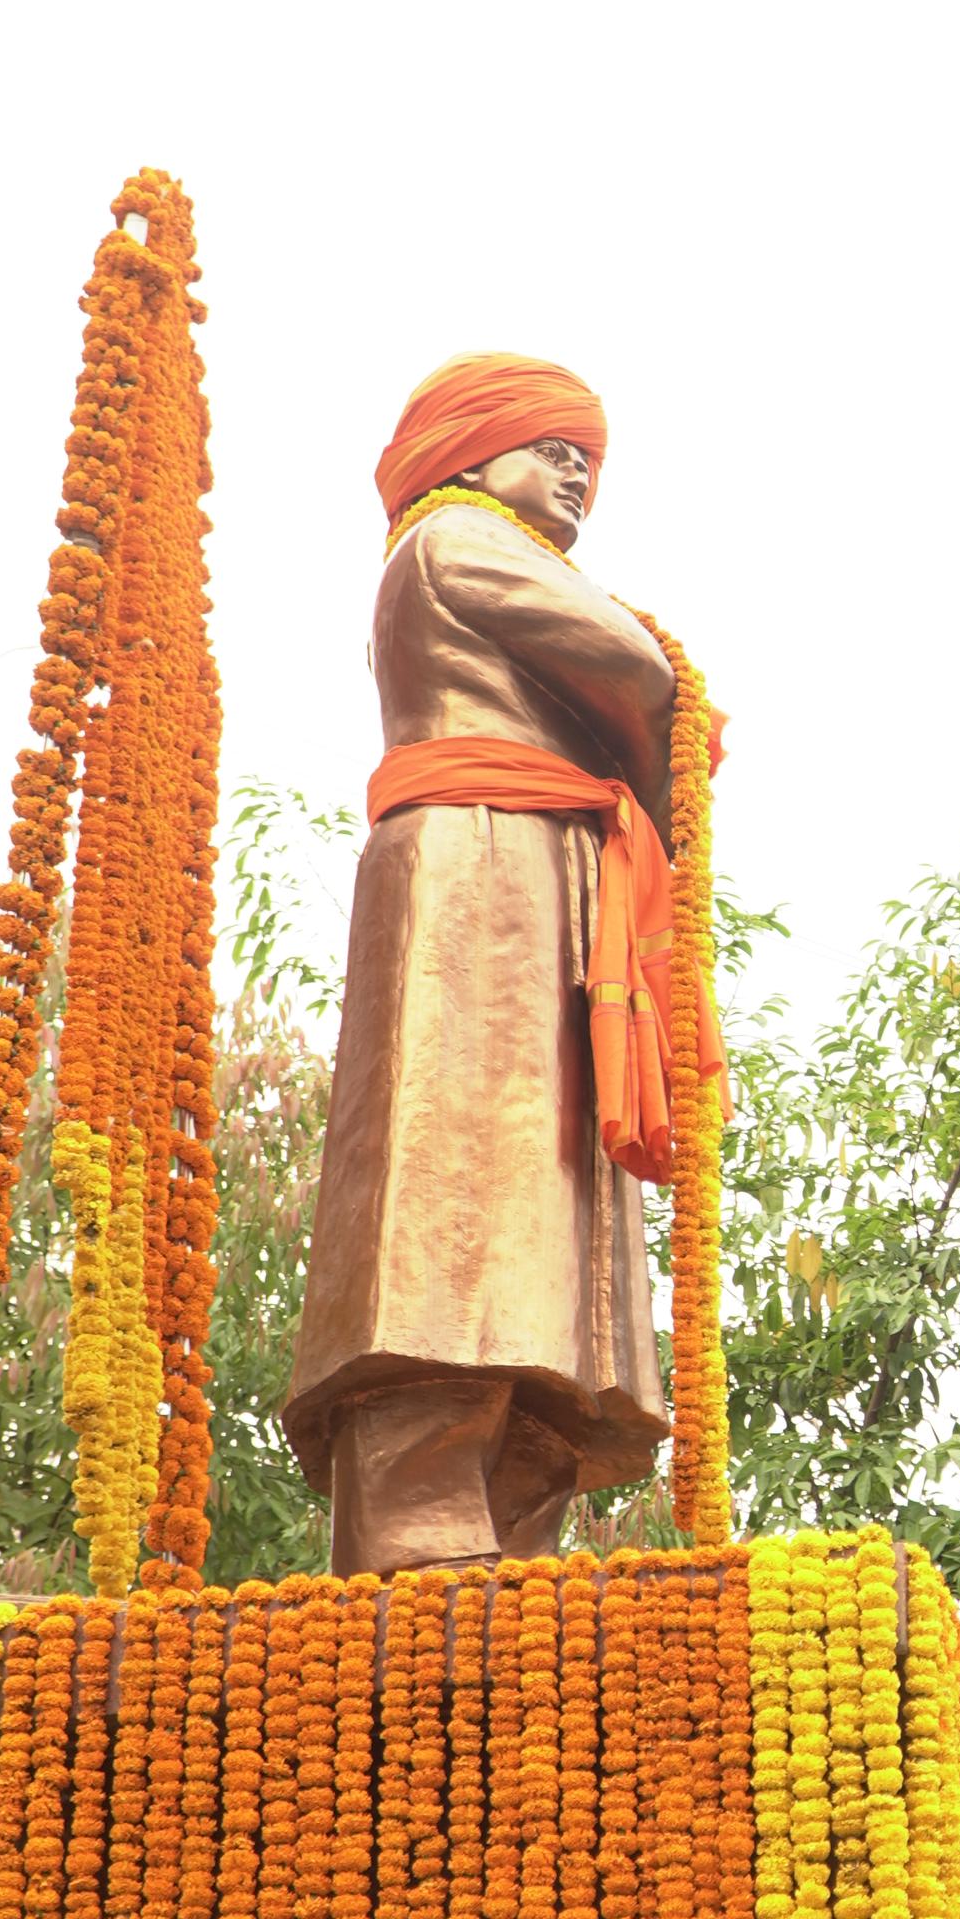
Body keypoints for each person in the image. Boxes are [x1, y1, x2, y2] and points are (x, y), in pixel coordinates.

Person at [283, 354, 707, 1574]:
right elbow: (640, 669)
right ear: (467, 454)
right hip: (476, 878)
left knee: (535, 1195)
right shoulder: (454, 538)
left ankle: (507, 1512)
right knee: (453, 1185)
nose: (577, 469)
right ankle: (422, 1526)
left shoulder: (479, 545)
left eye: (590, 455)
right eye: (551, 443)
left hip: (531, 878)